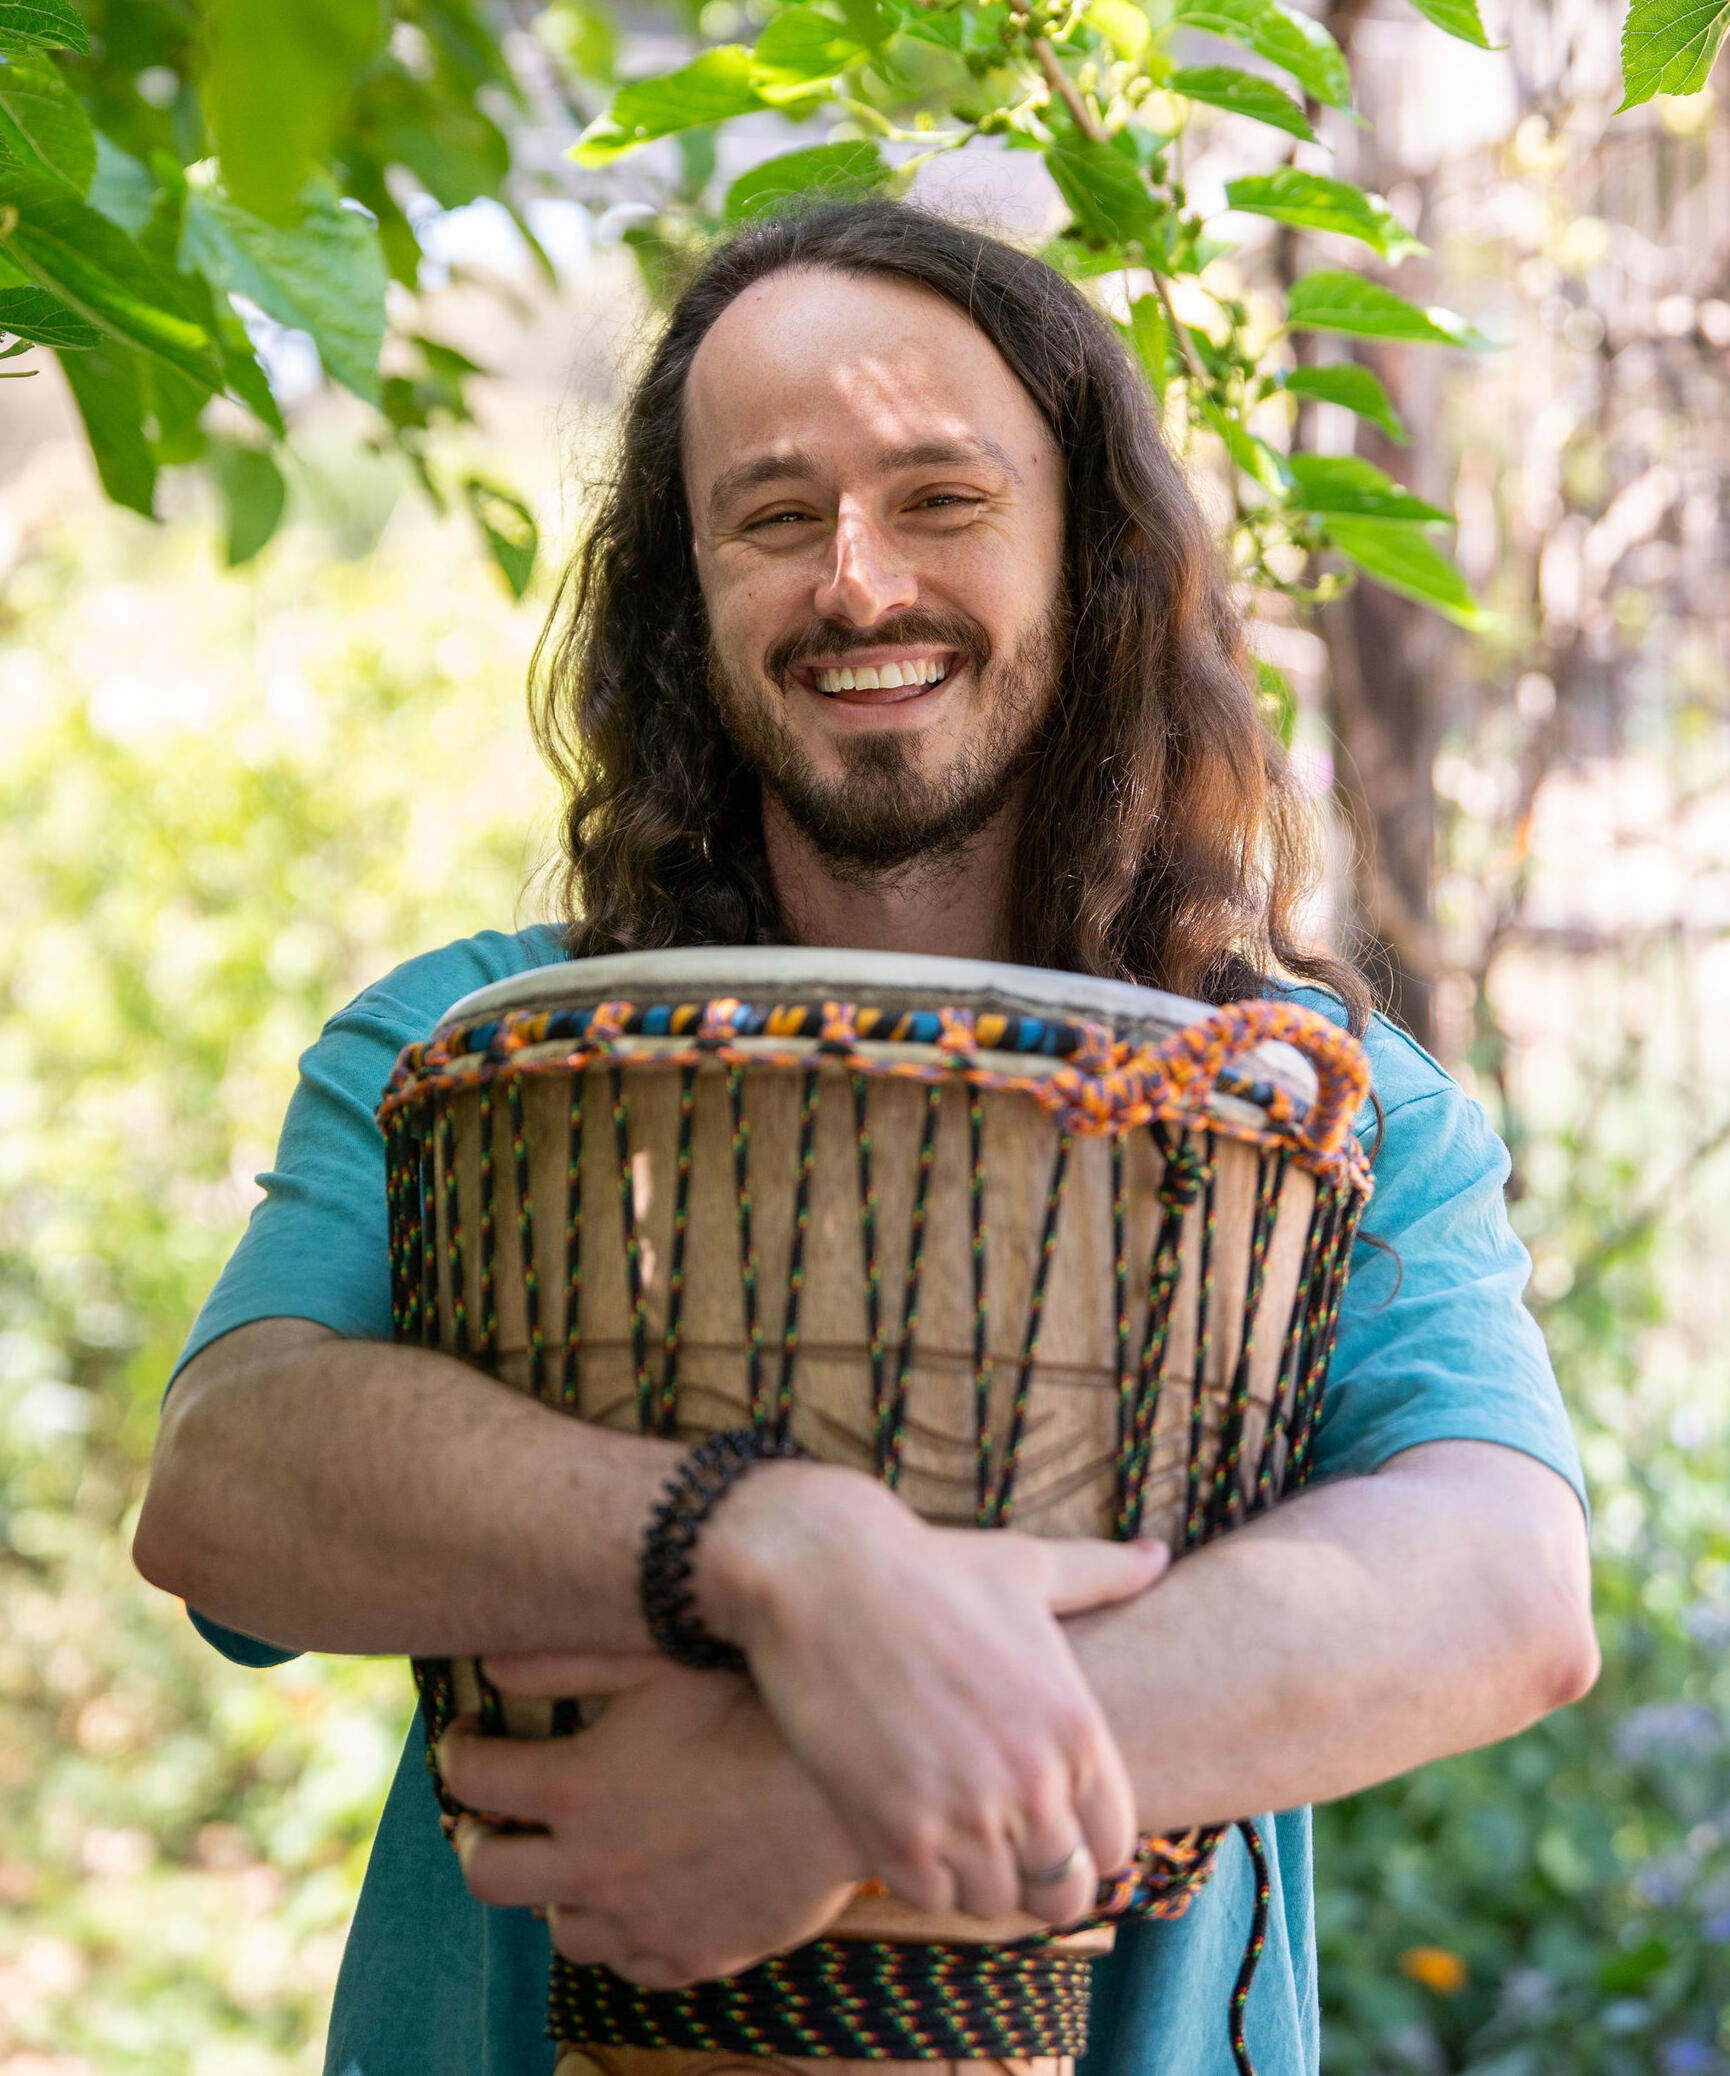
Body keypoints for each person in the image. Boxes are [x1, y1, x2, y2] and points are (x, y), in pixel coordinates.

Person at [134, 201, 1597, 2076]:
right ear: (684, 593)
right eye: (771, 516)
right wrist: (769, 1546)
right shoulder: (469, 1043)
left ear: (1090, 557)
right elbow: (227, 1483)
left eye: (940, 498)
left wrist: (821, 1801)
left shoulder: (1315, 1098)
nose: (856, 581)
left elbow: (1500, 1586)